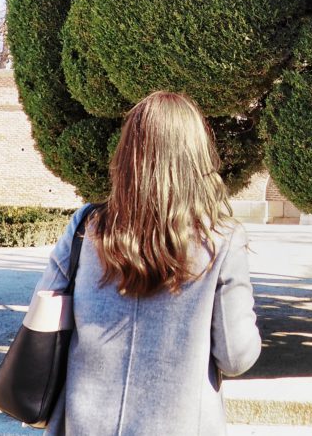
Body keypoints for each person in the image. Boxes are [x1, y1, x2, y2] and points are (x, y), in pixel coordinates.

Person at [36, 91, 262, 435]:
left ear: (127, 155)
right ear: (197, 159)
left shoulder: (87, 227)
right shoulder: (221, 241)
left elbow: (44, 314)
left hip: (82, 425)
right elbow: (236, 356)